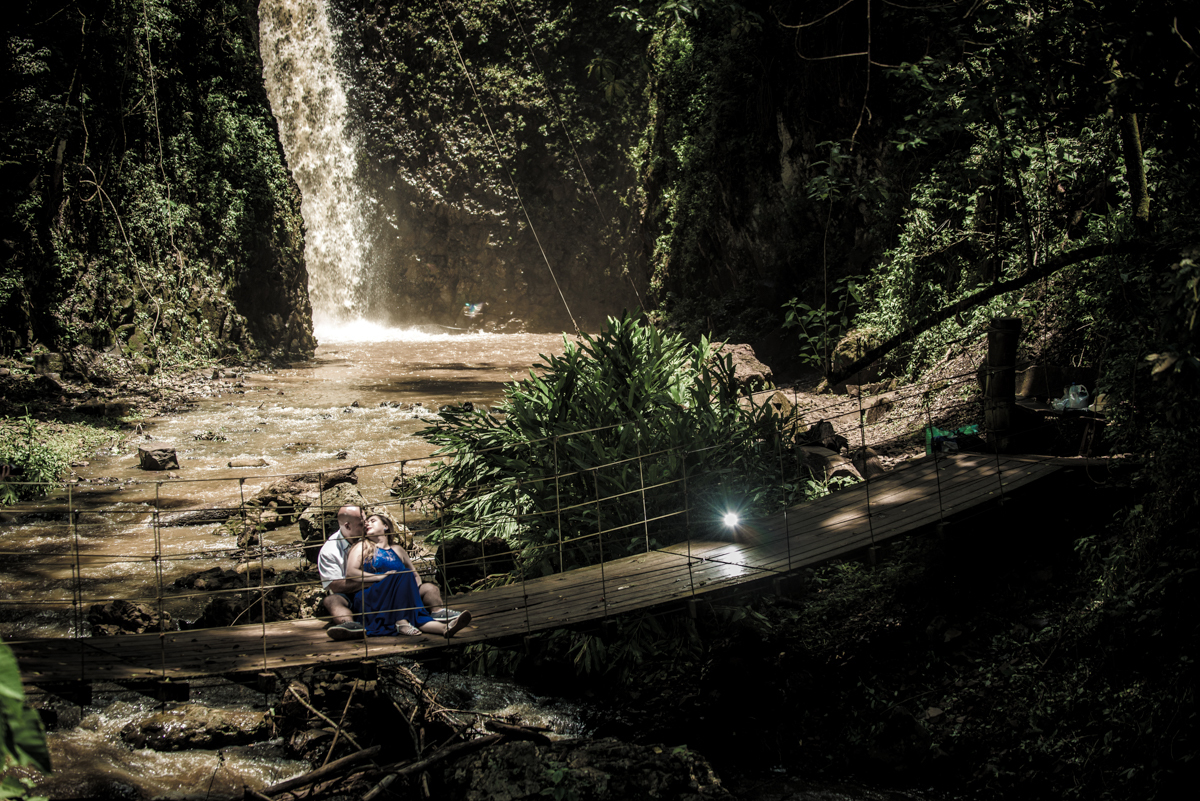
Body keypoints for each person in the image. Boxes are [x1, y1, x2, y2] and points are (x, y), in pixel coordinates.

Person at [319, 505, 462, 640]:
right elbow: (341, 581)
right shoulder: (344, 548)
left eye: (370, 520)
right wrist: (381, 579)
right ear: (348, 526)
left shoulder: (396, 549)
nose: (366, 523)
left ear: (386, 526)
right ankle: (351, 625)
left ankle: (442, 622)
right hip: (365, 592)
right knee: (332, 600)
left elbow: (413, 573)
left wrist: (410, 588)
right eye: (363, 521)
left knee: (427, 587)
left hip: (397, 590)